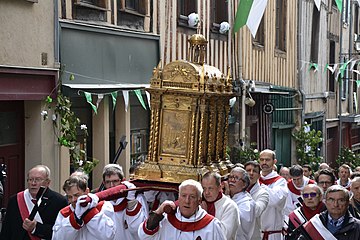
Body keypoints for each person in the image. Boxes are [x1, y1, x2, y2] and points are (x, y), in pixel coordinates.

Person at [138, 179, 226, 239]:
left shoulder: (212, 225)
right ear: (178, 197)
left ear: (199, 200)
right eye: (184, 196)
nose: (187, 201)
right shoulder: (166, 219)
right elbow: (143, 236)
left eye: (192, 197)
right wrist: (159, 211)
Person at [0, 165, 68, 240]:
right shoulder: (15, 200)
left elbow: (62, 232)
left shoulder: (59, 201)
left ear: (48, 182)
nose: (33, 183)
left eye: (38, 180)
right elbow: (6, 230)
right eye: (30, 179)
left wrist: (36, 228)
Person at [52, 175, 116, 239]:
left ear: (86, 191)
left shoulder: (103, 206)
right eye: (70, 197)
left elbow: (108, 235)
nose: (73, 200)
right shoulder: (64, 213)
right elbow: (58, 238)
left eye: (77, 195)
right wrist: (75, 219)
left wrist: (90, 213)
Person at [101, 164, 147, 239]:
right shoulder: (102, 203)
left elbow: (138, 230)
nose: (111, 186)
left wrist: (131, 202)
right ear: (104, 183)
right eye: (108, 182)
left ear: (123, 181)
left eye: (115, 181)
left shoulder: (137, 198)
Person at [258, 149, 288, 240]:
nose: (264, 162)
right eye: (262, 160)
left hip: (272, 234)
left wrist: (258, 184)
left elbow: (274, 200)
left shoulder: (280, 181)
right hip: (254, 233)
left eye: (267, 160)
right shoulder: (254, 179)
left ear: (274, 161)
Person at [201, 171, 239, 240]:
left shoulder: (230, 206)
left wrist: (204, 216)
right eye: (204, 188)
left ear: (219, 187)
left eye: (210, 188)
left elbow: (224, 235)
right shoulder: (200, 203)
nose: (206, 193)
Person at [244, 160, 270, 240]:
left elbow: (256, 211)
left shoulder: (263, 193)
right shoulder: (234, 190)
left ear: (259, 175)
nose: (251, 173)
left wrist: (243, 193)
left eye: (254, 171)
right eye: (248, 170)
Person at [229, 167, 256, 240]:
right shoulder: (230, 197)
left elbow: (234, 222)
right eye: (231, 177)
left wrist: (226, 198)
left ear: (244, 184)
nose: (232, 180)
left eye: (236, 178)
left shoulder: (247, 203)